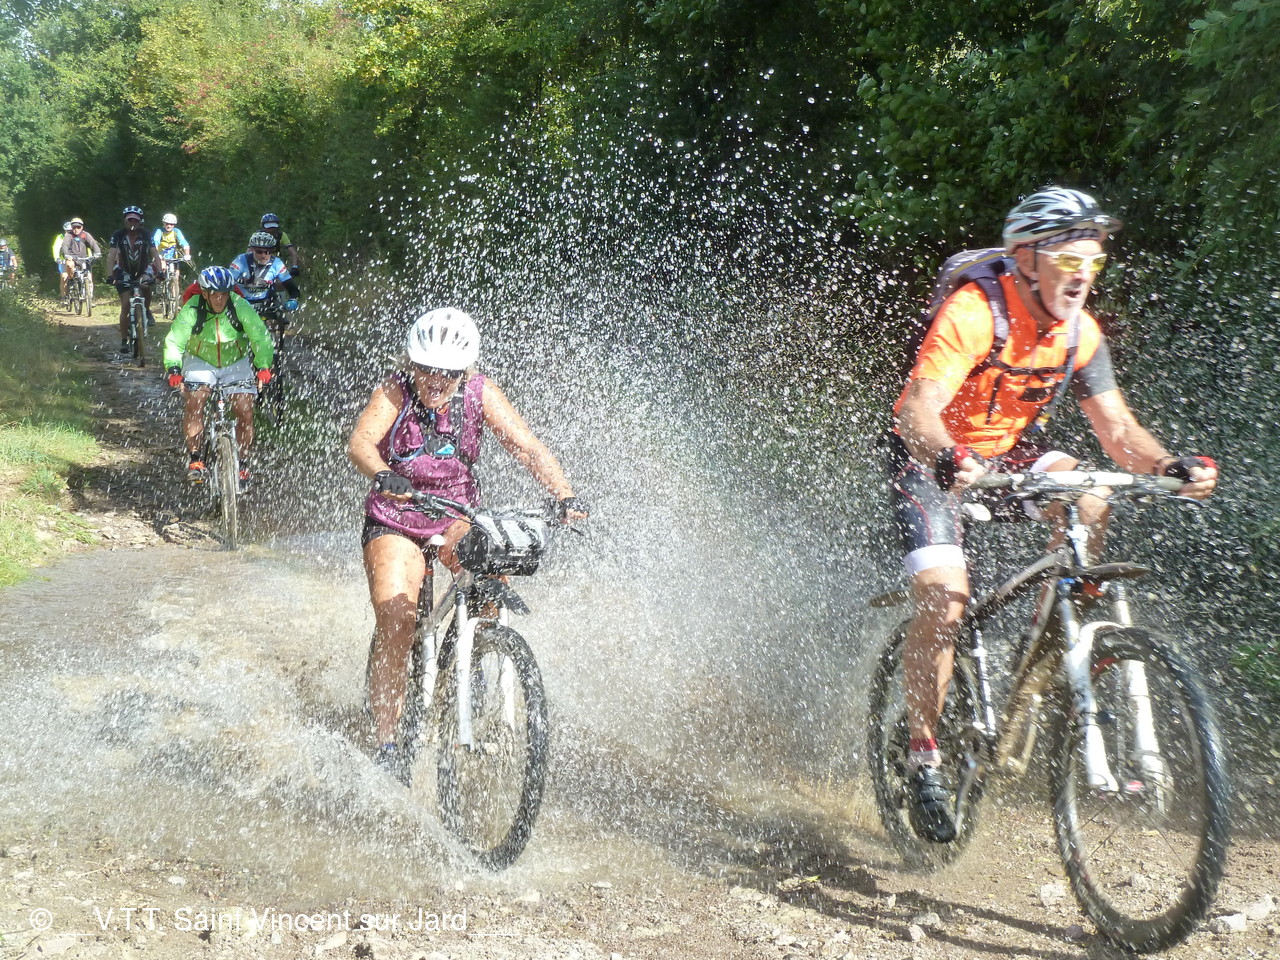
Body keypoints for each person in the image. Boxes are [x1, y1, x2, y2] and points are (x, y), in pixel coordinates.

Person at [888, 187, 1219, 843]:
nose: (1082, 276)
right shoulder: (974, 312)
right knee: (947, 599)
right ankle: (923, 758)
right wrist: (947, 455)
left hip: (1008, 456)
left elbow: (1118, 430)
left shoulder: (1080, 333)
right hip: (930, 459)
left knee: (1091, 494)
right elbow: (917, 408)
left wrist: (1168, 466)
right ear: (1025, 258)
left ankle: (1049, 645)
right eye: (1069, 260)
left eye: (1093, 263)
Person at [347, 308, 587, 773]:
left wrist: (563, 494)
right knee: (397, 618)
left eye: (448, 372)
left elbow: (526, 447)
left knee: (493, 567)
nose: (435, 380)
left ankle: (474, 657)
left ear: (464, 371)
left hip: (456, 512)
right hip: (397, 514)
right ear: (412, 363)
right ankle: (388, 745)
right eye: (426, 369)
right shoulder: (394, 390)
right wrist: (382, 474)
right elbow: (361, 442)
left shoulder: (480, 393)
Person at [163, 266, 274, 487]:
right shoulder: (192, 308)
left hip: (235, 360)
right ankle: (196, 459)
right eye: (214, 294)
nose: (220, 299)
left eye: (224, 293)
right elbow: (175, 340)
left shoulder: (239, 306)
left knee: (245, 411)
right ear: (204, 293)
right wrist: (174, 368)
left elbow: (260, 337)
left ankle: (242, 464)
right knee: (195, 402)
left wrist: (263, 366)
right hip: (200, 359)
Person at [107, 205, 164, 354]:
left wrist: (160, 272)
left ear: (140, 222)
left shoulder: (146, 235)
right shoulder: (118, 235)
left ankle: (147, 310)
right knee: (126, 304)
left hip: (143, 269)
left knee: (145, 286)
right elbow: (111, 255)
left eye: (135, 221)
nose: (133, 223)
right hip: (123, 271)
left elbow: (155, 254)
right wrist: (110, 275)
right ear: (125, 221)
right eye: (130, 220)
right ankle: (124, 340)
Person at [228, 231, 300, 334]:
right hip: (242, 300)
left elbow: (292, 287)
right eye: (259, 251)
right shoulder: (240, 260)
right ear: (252, 250)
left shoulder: (277, 263)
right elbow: (228, 281)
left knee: (278, 317)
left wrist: (293, 299)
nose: (263, 255)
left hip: (265, 301)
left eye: (267, 252)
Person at [58, 217, 103, 303]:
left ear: (82, 227)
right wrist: (67, 255)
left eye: (78, 227)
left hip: (84, 258)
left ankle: (90, 297)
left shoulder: (85, 235)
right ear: (71, 227)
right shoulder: (68, 235)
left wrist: (97, 252)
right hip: (72, 258)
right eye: (74, 227)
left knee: (89, 277)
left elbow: (93, 243)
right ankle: (71, 281)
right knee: (69, 265)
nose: (76, 229)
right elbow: (65, 246)